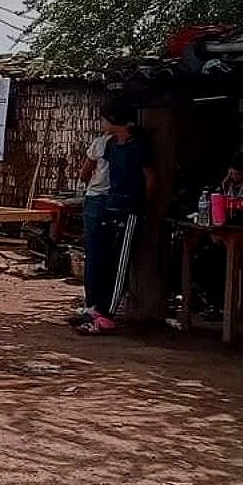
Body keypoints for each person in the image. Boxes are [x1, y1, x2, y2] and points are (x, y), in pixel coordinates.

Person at [77, 102, 155, 335]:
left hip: (129, 208)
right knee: (107, 261)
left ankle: (108, 315)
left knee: (120, 263)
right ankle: (98, 309)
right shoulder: (111, 145)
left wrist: (142, 205)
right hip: (112, 205)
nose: (102, 125)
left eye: (105, 120)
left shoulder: (137, 147)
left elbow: (150, 178)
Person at [77, 123, 111, 317]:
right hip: (116, 201)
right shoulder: (129, 145)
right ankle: (103, 304)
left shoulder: (101, 143)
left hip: (97, 198)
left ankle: (93, 305)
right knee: (107, 256)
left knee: (94, 254)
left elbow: (84, 172)